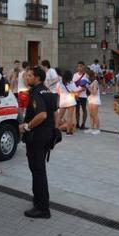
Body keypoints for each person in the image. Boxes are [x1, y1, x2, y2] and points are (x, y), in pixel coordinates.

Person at [19, 66, 58, 219]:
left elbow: (41, 115)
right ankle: (39, 201)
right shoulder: (47, 91)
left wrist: (27, 126)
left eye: (29, 75)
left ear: (37, 78)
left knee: (38, 171)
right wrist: (54, 130)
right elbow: (55, 112)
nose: (26, 78)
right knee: (38, 170)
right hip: (46, 136)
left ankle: (42, 208)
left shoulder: (36, 93)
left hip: (37, 137)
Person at [56, 69, 77, 135]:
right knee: (69, 117)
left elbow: (58, 91)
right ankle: (68, 132)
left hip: (63, 100)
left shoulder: (59, 82)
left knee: (59, 116)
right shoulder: (71, 82)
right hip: (71, 100)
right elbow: (74, 91)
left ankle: (55, 130)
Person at [72, 62, 90, 130]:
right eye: (78, 66)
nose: (80, 68)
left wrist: (77, 91)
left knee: (84, 109)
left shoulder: (86, 75)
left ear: (84, 67)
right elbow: (73, 85)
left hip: (83, 95)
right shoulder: (75, 75)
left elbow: (85, 87)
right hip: (76, 95)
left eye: (81, 66)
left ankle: (83, 124)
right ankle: (77, 124)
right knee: (77, 110)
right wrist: (75, 94)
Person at [85, 70, 101, 135]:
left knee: (95, 115)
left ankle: (98, 129)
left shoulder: (95, 82)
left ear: (90, 75)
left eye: (87, 75)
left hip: (95, 100)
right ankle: (91, 128)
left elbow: (94, 92)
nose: (86, 76)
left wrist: (88, 87)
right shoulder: (90, 82)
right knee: (91, 115)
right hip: (90, 99)